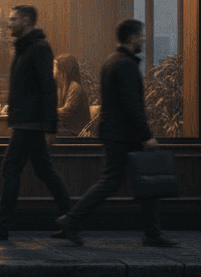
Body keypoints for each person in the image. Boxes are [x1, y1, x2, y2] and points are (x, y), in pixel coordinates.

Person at [55, 19, 179, 247]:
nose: (143, 39)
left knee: (124, 181)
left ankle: (74, 219)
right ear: (131, 37)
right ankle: (73, 219)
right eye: (141, 35)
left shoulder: (111, 61)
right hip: (126, 134)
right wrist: (146, 135)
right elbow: (132, 105)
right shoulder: (126, 65)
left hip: (115, 133)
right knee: (131, 181)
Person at [0, 5, 75, 240]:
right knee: (44, 171)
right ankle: (72, 219)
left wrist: (50, 126)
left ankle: (1, 226)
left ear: (27, 21)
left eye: (13, 19)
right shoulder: (25, 47)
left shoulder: (38, 48)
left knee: (11, 169)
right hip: (27, 121)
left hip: (30, 122)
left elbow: (48, 88)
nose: (8, 23)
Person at [54, 53, 91, 136]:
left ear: (63, 68)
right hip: (64, 129)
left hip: (75, 132)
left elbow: (66, 111)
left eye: (54, 66)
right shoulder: (59, 88)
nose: (51, 69)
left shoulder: (75, 87)